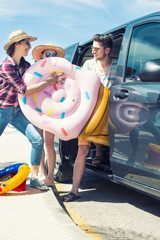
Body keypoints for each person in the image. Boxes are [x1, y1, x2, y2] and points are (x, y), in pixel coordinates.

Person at [0, 30, 64, 191]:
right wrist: (48, 81)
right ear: (17, 44)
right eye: (27, 43)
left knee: (37, 140)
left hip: (18, 111)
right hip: (2, 109)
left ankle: (35, 178)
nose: (29, 46)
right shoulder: (7, 65)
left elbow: (40, 76)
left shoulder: (25, 65)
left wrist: (55, 77)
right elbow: (24, 90)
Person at [63, 33, 117, 202]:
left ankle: (103, 153)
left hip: (110, 114)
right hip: (91, 113)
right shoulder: (87, 65)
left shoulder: (117, 68)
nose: (93, 51)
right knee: (82, 151)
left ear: (107, 50)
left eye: (96, 48)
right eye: (92, 48)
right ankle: (74, 190)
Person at [32, 43, 65, 186]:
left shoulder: (60, 71)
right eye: (48, 54)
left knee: (49, 143)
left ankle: (50, 176)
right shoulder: (34, 70)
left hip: (51, 110)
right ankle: (43, 173)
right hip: (36, 109)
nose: (51, 57)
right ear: (41, 56)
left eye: (53, 54)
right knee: (39, 142)